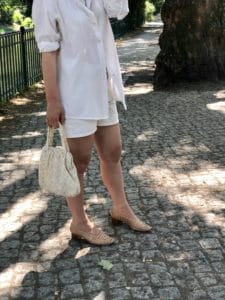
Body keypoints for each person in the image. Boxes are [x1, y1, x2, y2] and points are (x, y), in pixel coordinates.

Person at [32, 0, 151, 245]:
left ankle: (121, 208)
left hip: (102, 84)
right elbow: (48, 50)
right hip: (74, 92)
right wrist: (52, 100)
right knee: (79, 161)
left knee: (113, 151)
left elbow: (120, 10)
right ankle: (80, 223)